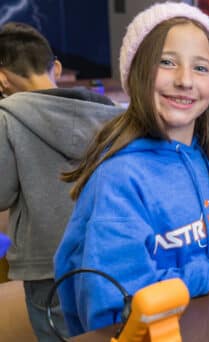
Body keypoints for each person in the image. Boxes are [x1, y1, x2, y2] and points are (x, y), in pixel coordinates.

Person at [54, 3, 209, 335]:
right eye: (167, 62)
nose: (185, 80)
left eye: (201, 68)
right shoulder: (119, 178)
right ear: (137, 73)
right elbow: (119, 305)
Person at [0, 22, 122, 341]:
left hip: (47, 266)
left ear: (1, 78)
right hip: (107, 257)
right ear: (55, 67)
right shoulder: (110, 112)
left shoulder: (6, 118)